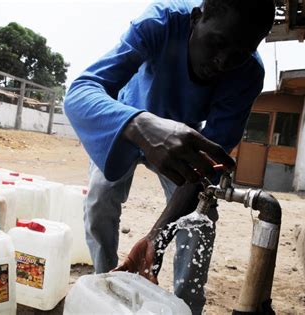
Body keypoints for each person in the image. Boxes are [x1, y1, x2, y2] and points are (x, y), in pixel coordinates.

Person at [64, 0, 275, 313]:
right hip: (128, 123)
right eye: (217, 43)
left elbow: (206, 171)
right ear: (196, 18)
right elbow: (80, 92)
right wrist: (139, 123)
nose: (222, 62)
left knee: (201, 219)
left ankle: (187, 305)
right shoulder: (160, 22)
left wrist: (155, 238)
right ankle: (103, 284)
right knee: (98, 200)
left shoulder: (247, 76)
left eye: (239, 55)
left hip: (179, 142)